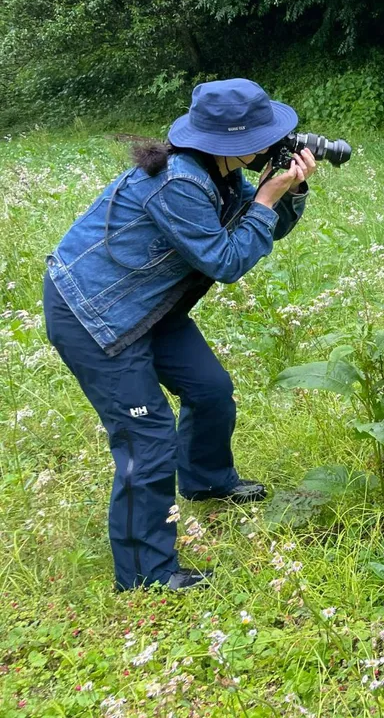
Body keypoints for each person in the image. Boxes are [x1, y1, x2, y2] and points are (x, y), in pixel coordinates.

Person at [43, 79, 318, 591]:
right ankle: (147, 574)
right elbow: (226, 259)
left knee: (210, 389)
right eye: (265, 135)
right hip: (92, 313)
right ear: (232, 142)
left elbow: (255, 228)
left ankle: (207, 481)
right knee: (146, 440)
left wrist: (288, 191)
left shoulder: (220, 174)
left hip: (149, 307)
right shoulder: (178, 183)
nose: (275, 142)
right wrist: (267, 199)